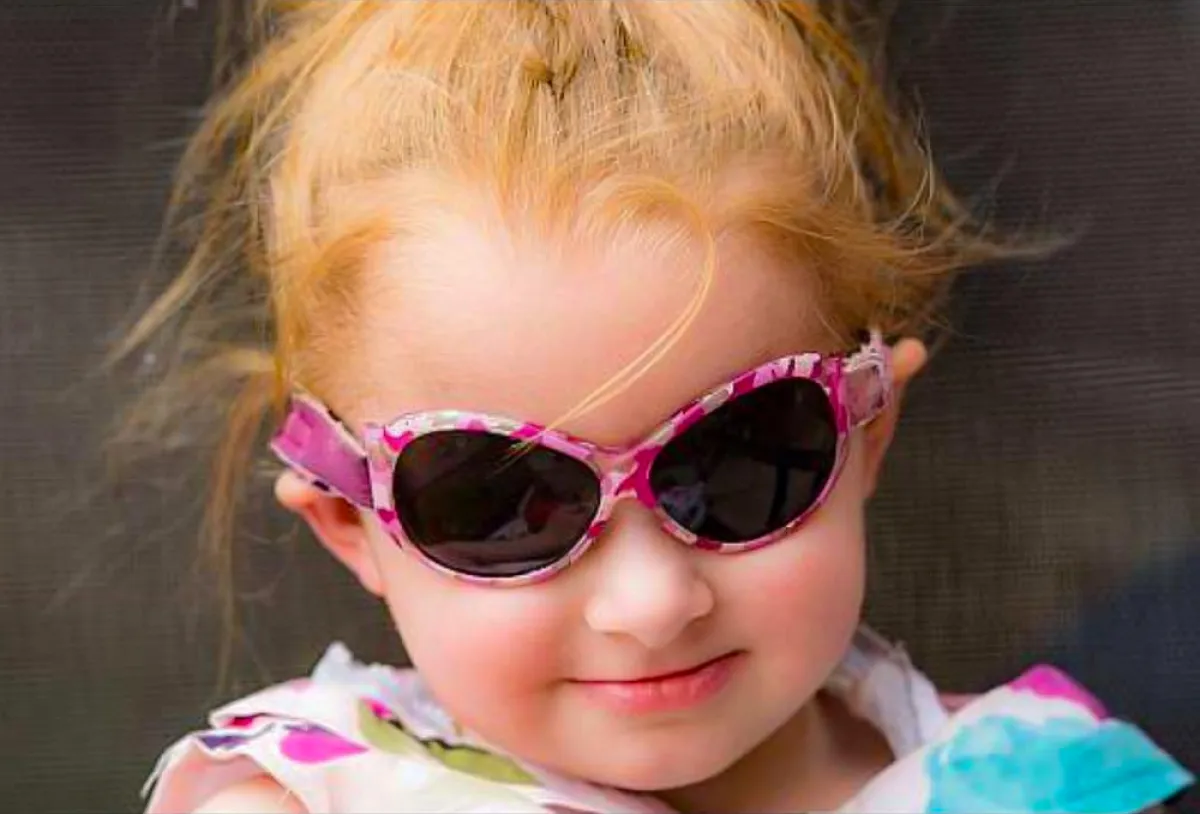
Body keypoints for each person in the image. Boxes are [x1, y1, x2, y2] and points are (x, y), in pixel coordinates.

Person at [127, 2, 1193, 811]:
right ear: (350, 524)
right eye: (502, 505)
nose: (649, 603)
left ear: (867, 433)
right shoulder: (303, 800)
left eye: (739, 460)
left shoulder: (1046, 788)